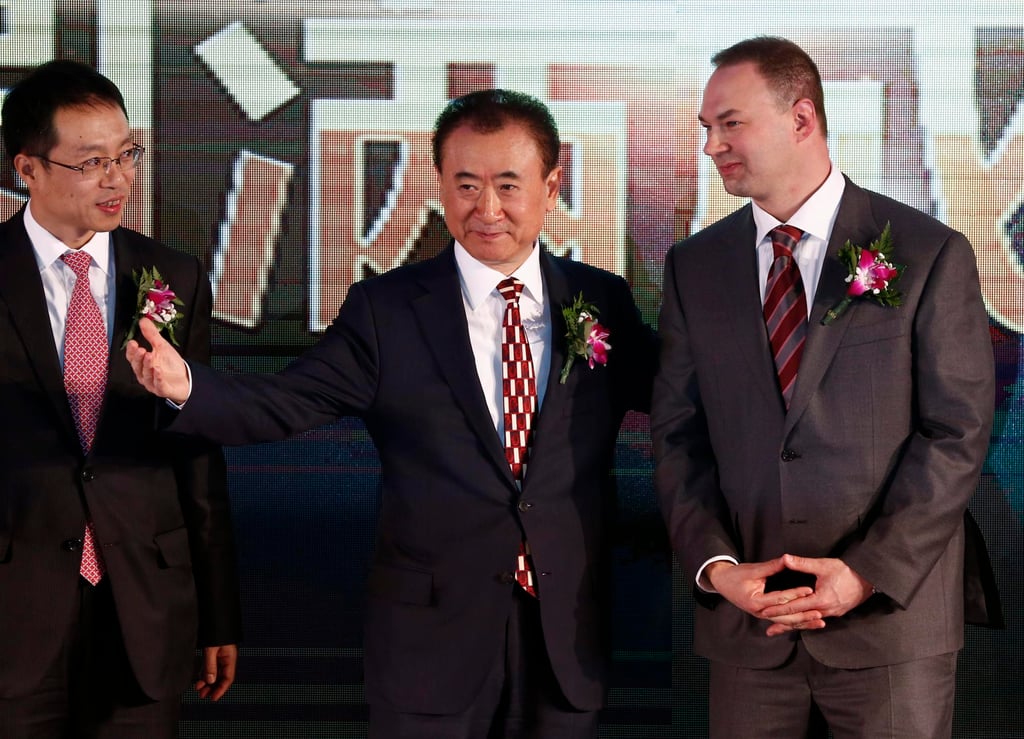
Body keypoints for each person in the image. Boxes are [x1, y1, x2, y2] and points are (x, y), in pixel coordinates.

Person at [126, 88, 657, 738]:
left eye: (508, 185)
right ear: (439, 184)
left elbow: (681, 396)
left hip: (563, 637)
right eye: (466, 185)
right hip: (431, 645)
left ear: (551, 187)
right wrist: (185, 385)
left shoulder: (599, 299)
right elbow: (289, 401)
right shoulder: (388, 310)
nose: (486, 209)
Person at [652, 36, 1001, 738]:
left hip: (890, 624)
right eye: (706, 128)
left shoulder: (927, 251)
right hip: (750, 631)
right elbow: (677, 435)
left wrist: (866, 572)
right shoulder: (695, 265)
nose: (712, 146)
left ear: (802, 118)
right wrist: (718, 568)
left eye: (730, 123)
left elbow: (957, 432)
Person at [0, 60, 242, 737]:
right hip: (15, 610)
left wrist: (219, 612)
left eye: (126, 154)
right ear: (28, 168)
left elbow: (197, 455)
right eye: (91, 162)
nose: (117, 178)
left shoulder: (173, 277)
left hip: (144, 604)